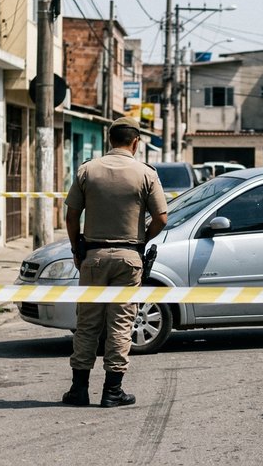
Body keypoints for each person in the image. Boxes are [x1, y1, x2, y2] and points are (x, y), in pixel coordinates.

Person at [62, 116, 169, 408]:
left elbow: (71, 215)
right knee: (121, 323)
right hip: (129, 257)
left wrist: (76, 248)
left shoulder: (88, 170)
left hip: (93, 256)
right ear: (136, 142)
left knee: (87, 324)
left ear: (110, 140)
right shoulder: (145, 173)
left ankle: (79, 389)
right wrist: (141, 240)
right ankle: (112, 390)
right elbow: (161, 218)